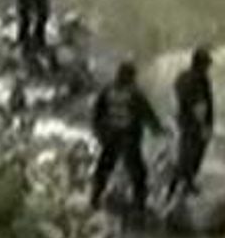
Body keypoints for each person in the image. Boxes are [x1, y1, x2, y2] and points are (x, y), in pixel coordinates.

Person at [89, 61, 165, 215]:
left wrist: (99, 133)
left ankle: (95, 199)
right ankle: (139, 205)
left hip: (110, 136)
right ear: (130, 76)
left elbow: (97, 114)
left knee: (104, 167)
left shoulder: (107, 90)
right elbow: (147, 114)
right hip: (129, 138)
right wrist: (158, 130)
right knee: (138, 172)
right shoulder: (135, 94)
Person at [166, 46, 216, 201]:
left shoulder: (185, 77)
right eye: (207, 64)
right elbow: (198, 104)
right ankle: (177, 187)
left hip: (187, 120)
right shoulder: (196, 79)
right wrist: (204, 125)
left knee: (190, 153)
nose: (208, 67)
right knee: (190, 155)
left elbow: (178, 91)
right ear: (200, 64)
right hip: (193, 122)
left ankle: (184, 184)